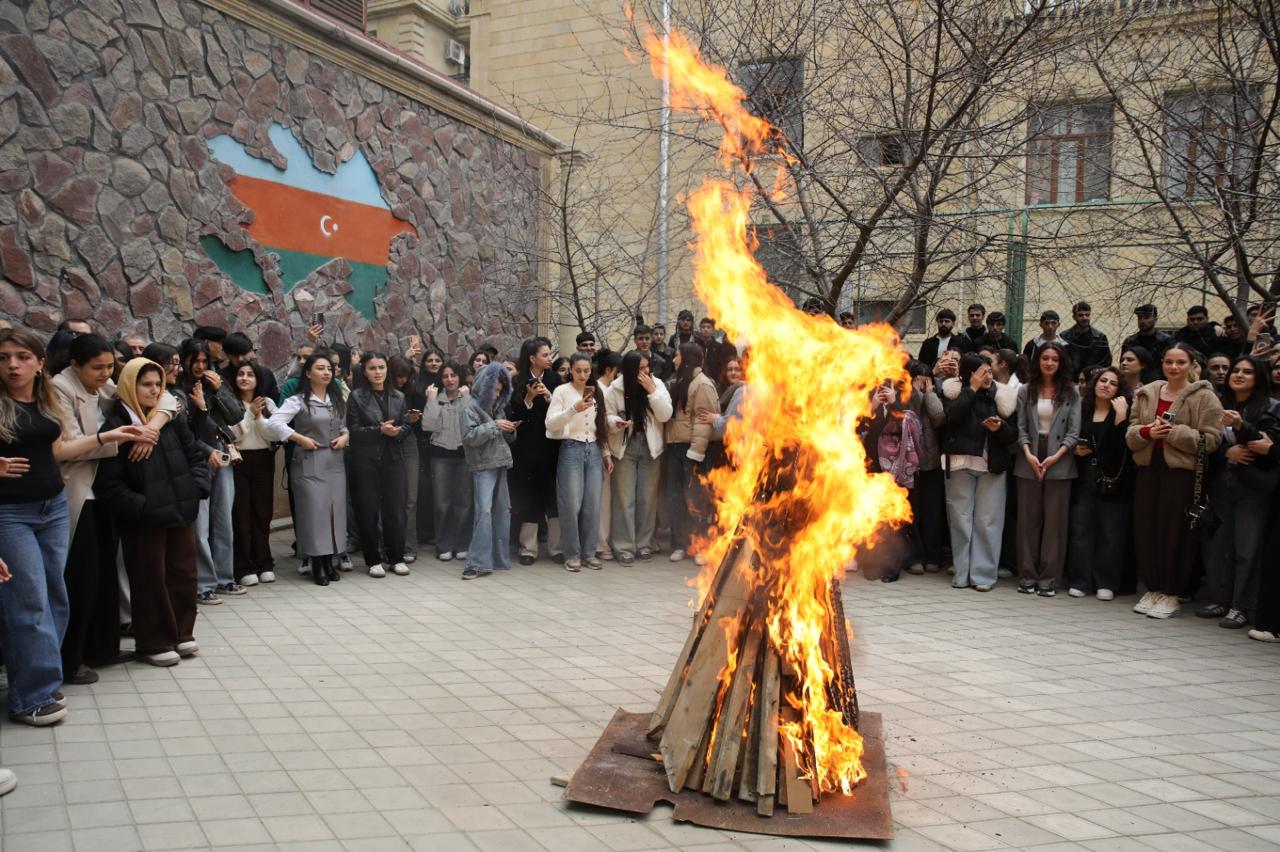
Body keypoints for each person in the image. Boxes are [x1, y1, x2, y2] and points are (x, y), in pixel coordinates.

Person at [0, 330, 143, 724]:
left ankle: (44, 680)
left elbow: (60, 449)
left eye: (22, 357)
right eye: (4, 357)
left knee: (56, 597)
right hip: (10, 511)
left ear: (39, 361)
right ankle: (31, 697)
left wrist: (110, 434)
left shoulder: (46, 396)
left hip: (53, 506)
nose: (13, 364)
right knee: (27, 601)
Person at [53, 334, 177, 683]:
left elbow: (169, 399)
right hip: (77, 492)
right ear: (74, 365)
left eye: (110, 366)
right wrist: (115, 439)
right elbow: (65, 447)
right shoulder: (59, 388)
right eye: (98, 367)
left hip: (105, 491)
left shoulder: (106, 384)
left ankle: (103, 647)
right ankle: (71, 658)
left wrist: (149, 427)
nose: (106, 374)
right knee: (80, 578)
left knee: (106, 574)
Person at [96, 359, 209, 667]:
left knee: (184, 574)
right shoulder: (116, 427)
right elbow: (108, 484)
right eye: (146, 384)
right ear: (129, 386)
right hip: (144, 521)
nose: (154, 390)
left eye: (157, 384)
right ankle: (154, 641)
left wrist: (194, 491)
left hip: (180, 511)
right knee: (149, 580)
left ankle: (182, 633)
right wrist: (142, 508)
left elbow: (196, 456)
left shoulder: (171, 420)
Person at [1126, 343, 1224, 619]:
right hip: (1148, 468)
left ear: (1192, 365)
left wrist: (1173, 433)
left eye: (1181, 362)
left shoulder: (1205, 397)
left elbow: (1212, 440)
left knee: (1174, 532)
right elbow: (1131, 432)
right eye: (1169, 362)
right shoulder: (1148, 393)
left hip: (1181, 472)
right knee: (1145, 528)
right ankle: (1153, 587)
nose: (1174, 367)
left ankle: (1172, 592)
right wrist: (1148, 432)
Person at [1196, 356, 1279, 628]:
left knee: (1247, 548)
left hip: (1253, 486)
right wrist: (1225, 452)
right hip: (1222, 483)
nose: (1239, 375)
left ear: (1259, 378)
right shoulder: (1219, 403)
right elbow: (1207, 442)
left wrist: (1242, 427)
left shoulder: (1272, 408)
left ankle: (1242, 606)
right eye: (1236, 371)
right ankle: (1221, 598)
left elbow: (1268, 450)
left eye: (1247, 372)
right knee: (1221, 545)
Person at [266, 352, 350, 586]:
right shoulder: (298, 400)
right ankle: (317, 563)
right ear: (308, 373)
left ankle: (329, 560)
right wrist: (299, 438)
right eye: (320, 368)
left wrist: (345, 437)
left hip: (335, 462)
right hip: (309, 462)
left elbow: (344, 426)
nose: (326, 372)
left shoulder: (337, 399)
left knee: (334, 513)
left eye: (329, 369)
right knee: (315, 514)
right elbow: (274, 422)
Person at [941, 353, 1019, 591]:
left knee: (988, 522)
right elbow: (951, 417)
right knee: (960, 520)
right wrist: (971, 390)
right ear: (970, 374)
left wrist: (1000, 427)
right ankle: (962, 573)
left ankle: (983, 576)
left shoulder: (1002, 395)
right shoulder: (953, 391)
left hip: (992, 465)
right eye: (983, 372)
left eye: (989, 371)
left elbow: (1013, 435)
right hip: (960, 464)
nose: (989, 376)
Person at [179, 339, 245, 605]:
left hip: (223, 452)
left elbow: (237, 416)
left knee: (223, 519)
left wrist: (218, 391)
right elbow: (187, 430)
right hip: (197, 456)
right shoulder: (179, 390)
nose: (200, 367)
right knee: (201, 524)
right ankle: (204, 583)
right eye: (195, 361)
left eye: (205, 362)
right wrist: (207, 451)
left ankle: (224, 577)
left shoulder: (214, 384)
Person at [1013, 342, 1081, 596]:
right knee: (1028, 521)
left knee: (1054, 522)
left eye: (1054, 358)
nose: (1049, 363)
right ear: (1038, 361)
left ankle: (1049, 578)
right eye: (1045, 358)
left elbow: (1074, 433)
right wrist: (1029, 454)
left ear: (1061, 361)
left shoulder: (1072, 392)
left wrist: (1055, 457)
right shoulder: (1026, 390)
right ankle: (1027, 576)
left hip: (1060, 459)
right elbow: (1020, 427)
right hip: (1028, 456)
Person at [1064, 367, 1133, 599]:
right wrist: (1076, 450)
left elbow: (1122, 448)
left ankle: (1106, 581)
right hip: (1085, 478)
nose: (1106, 385)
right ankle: (1081, 580)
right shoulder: (1083, 410)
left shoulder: (1123, 412)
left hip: (1114, 480)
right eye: (1103, 380)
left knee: (1111, 532)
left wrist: (1121, 418)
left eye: (1113, 383)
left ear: (1120, 390)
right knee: (1081, 530)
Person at [346, 352, 413, 578]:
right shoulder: (356, 397)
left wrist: (398, 432)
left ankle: (396, 558)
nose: (378, 372)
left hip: (393, 459)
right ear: (364, 371)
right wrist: (379, 431)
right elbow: (352, 431)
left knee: (396, 510)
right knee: (368, 511)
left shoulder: (398, 396)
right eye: (373, 368)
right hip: (365, 461)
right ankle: (373, 560)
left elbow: (406, 424)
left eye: (381, 367)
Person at [605, 351, 673, 564]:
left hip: (651, 446)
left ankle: (644, 543)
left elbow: (665, 414)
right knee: (624, 498)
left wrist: (652, 391)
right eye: (641, 368)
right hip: (625, 446)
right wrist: (615, 422)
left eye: (647, 367)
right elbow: (606, 416)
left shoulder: (657, 384)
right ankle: (624, 546)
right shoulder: (615, 388)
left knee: (647, 497)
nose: (646, 372)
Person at [545, 353, 611, 572]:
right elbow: (551, 423)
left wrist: (606, 453)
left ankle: (589, 552)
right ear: (571, 370)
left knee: (593, 503)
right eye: (578, 370)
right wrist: (574, 408)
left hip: (593, 448)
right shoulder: (562, 391)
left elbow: (600, 426)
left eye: (587, 371)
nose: (583, 375)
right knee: (571, 504)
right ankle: (571, 553)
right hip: (571, 447)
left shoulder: (597, 392)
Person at [663, 343, 720, 562]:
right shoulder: (679, 380)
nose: (674, 359)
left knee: (695, 499)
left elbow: (704, 421)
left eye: (677, 355)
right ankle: (680, 544)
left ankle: (700, 545)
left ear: (686, 358)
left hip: (692, 450)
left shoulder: (703, 384)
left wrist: (696, 454)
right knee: (675, 497)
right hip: (675, 446)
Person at [508, 337, 562, 565]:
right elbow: (514, 415)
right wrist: (529, 399)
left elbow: (561, 410)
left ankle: (556, 547)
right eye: (545, 355)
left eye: (550, 355)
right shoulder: (518, 380)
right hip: (527, 449)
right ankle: (528, 548)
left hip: (551, 447)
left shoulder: (555, 379)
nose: (550, 359)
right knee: (529, 496)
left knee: (553, 497)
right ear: (532, 358)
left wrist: (548, 396)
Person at [461, 363, 517, 579]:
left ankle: (496, 559)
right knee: (484, 512)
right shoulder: (470, 407)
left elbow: (500, 437)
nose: (497, 393)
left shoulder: (497, 407)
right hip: (483, 466)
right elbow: (468, 437)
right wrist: (495, 426)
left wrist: (510, 430)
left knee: (502, 511)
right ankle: (477, 563)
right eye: (493, 389)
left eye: (500, 390)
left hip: (499, 462)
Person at [228, 361, 278, 586]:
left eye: (250, 374)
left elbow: (275, 435)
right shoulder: (229, 403)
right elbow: (232, 435)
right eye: (240, 374)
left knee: (262, 513)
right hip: (239, 461)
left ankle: (264, 563)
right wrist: (249, 415)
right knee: (241, 515)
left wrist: (258, 417)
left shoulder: (267, 403)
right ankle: (244, 566)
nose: (245, 378)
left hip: (263, 460)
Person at [422, 362, 473, 561]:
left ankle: (462, 544)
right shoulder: (437, 398)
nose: (450, 379)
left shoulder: (467, 398)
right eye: (445, 376)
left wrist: (467, 397)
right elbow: (428, 425)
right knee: (442, 504)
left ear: (459, 377)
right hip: (440, 457)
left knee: (464, 503)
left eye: (453, 375)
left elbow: (472, 421)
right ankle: (443, 544)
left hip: (463, 457)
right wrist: (431, 400)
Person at [905, 361, 946, 575]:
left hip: (931, 462)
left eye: (926, 378)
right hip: (910, 465)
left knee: (932, 512)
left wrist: (929, 393)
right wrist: (915, 391)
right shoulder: (906, 394)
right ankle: (914, 557)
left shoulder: (937, 392)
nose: (922, 382)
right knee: (913, 512)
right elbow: (910, 412)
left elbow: (939, 418)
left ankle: (933, 556)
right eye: (917, 378)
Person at [389, 355, 423, 563]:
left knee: (411, 498)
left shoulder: (415, 393)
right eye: (398, 376)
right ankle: (389, 544)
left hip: (409, 443)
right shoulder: (383, 393)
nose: (401, 381)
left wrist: (411, 421)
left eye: (405, 376)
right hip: (387, 442)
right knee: (391, 498)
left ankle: (409, 545)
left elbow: (421, 425)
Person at [594, 349, 624, 560]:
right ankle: (601, 544)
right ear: (610, 370)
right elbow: (601, 425)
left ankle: (601, 543)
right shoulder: (602, 390)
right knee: (602, 500)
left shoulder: (604, 389)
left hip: (605, 448)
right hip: (601, 448)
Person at [220, 332, 279, 401]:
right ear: (227, 355)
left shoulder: (266, 374)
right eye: (235, 355)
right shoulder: (221, 378)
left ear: (250, 351)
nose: (240, 359)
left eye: (243, 353)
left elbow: (275, 403)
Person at [1060, 301, 1111, 373]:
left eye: (1087, 315)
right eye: (1080, 315)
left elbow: (1106, 362)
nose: (1085, 318)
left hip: (1092, 379)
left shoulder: (1100, 337)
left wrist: (1095, 376)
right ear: (1074, 317)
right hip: (1070, 380)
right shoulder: (1064, 337)